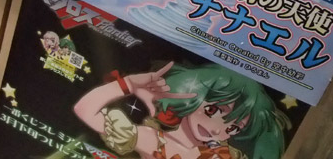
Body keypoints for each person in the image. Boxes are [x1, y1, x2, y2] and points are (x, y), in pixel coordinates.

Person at [74, 62, 289, 159]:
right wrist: (129, 84)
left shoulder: (227, 155)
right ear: (195, 95)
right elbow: (85, 109)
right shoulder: (153, 140)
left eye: (233, 127)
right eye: (213, 110)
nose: (218, 130)